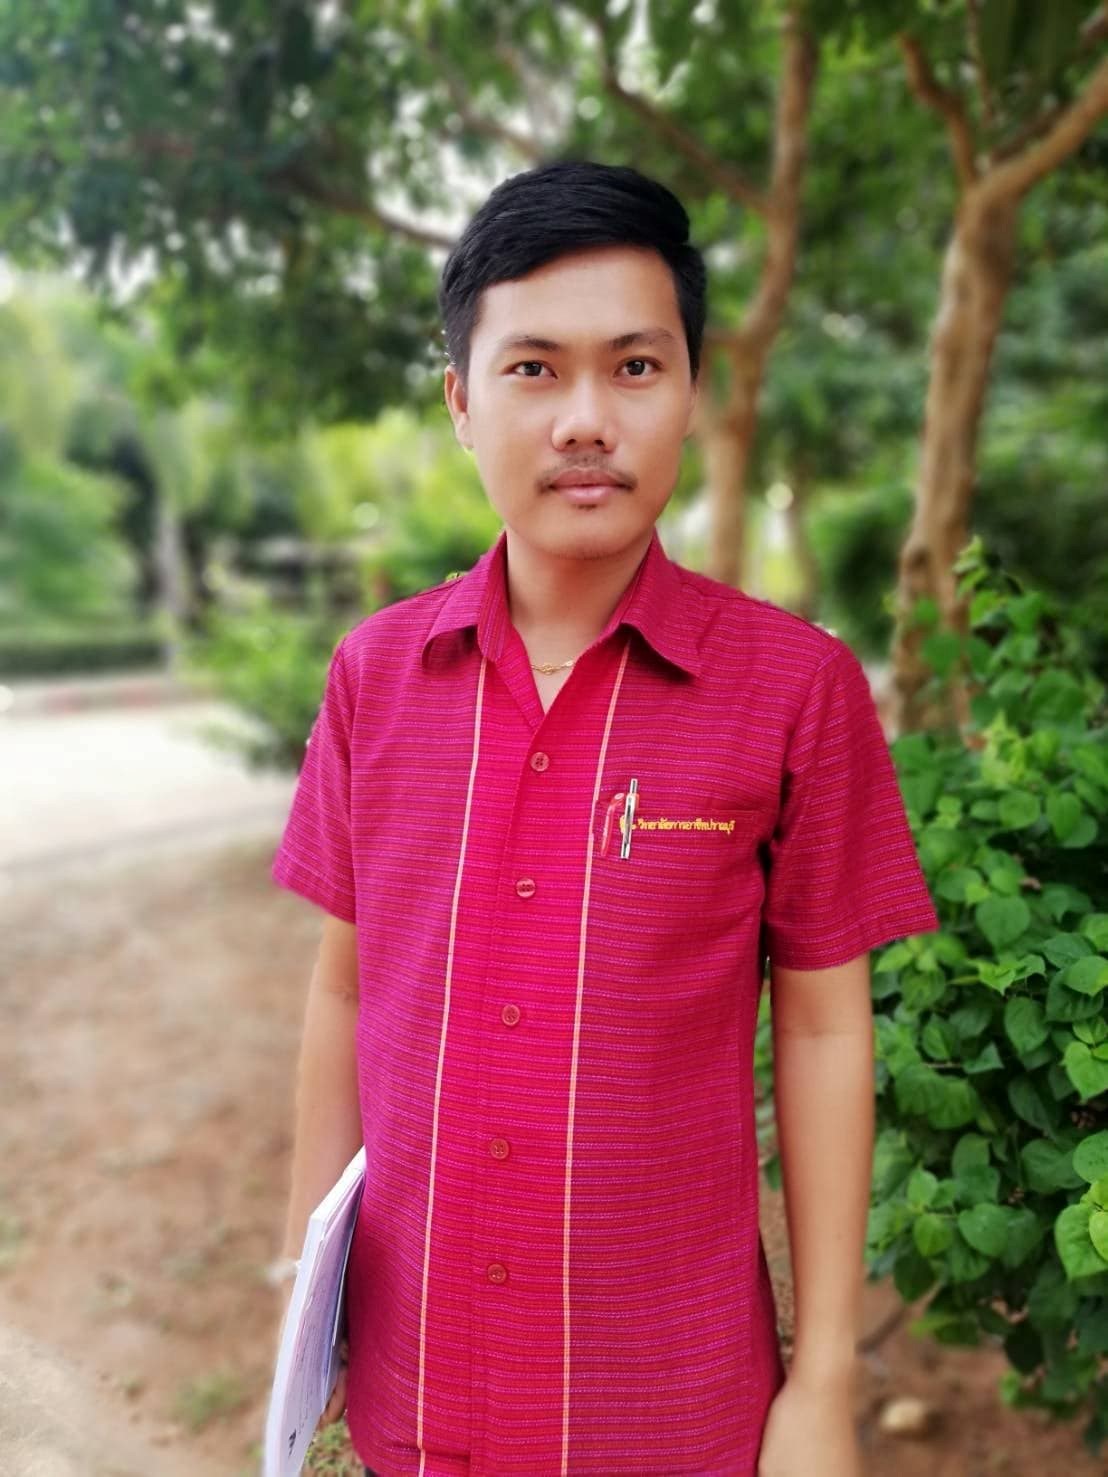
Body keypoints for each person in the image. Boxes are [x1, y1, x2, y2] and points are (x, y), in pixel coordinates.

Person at [269, 157, 940, 1476]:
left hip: (675, 1404)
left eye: (635, 367)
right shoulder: (376, 676)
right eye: (534, 369)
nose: (587, 419)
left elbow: (822, 1027)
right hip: (420, 1391)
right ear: (462, 402)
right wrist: (310, 1304)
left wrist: (823, 1379)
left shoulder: (794, 690)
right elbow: (345, 990)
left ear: (692, 393)